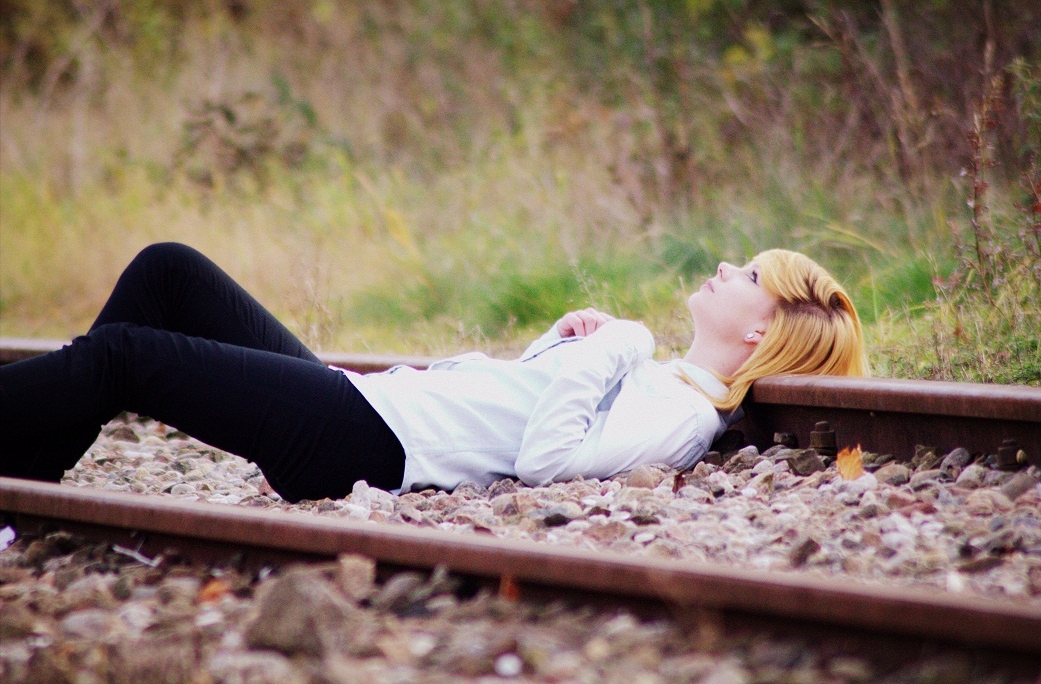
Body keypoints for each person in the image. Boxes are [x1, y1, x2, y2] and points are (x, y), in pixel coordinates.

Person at [0, 242, 868, 502]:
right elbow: (509, 406)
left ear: (759, 331)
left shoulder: (683, 417)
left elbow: (545, 460)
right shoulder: (664, 378)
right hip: (370, 404)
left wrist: (616, 344)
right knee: (167, 272)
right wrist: (562, 343)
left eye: (746, 275)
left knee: (125, 357)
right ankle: (22, 481)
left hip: (363, 440)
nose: (723, 267)